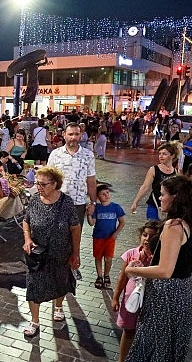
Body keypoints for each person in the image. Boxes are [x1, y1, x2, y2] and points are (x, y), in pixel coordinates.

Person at [125, 175, 192, 361]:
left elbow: (165, 270)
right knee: (171, 347)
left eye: (163, 194)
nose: (160, 198)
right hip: (184, 292)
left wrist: (132, 271)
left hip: (165, 294)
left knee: (152, 345)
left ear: (176, 197)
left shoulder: (174, 225)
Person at [21, 167, 81, 337]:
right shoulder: (34, 200)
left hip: (61, 252)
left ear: (55, 184)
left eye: (43, 184)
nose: (39, 187)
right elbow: (26, 221)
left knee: (60, 281)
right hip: (37, 254)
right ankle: (34, 320)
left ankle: (59, 306)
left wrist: (76, 253)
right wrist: (27, 239)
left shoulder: (66, 202)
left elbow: (75, 228)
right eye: (37, 183)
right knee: (33, 285)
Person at [112, 221, 160, 362]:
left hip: (149, 301)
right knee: (128, 331)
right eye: (144, 235)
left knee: (147, 332)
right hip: (130, 300)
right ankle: (122, 359)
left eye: (151, 237)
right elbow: (122, 279)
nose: (146, 239)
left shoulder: (159, 259)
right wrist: (115, 298)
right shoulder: (131, 254)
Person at [47, 122, 97, 226]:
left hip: (78, 203)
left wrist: (93, 202)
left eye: (76, 134)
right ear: (64, 134)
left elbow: (91, 180)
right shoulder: (55, 154)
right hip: (58, 202)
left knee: (75, 238)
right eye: (70, 134)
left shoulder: (88, 155)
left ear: (81, 135)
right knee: (57, 236)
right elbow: (48, 178)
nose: (73, 137)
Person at [87, 184, 126, 289]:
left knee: (108, 258)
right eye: (102, 194)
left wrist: (116, 234)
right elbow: (92, 223)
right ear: (98, 197)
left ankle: (106, 275)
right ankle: (99, 276)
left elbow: (122, 221)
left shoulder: (116, 207)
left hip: (110, 238)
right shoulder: (97, 208)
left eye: (107, 193)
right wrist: (89, 214)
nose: (106, 195)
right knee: (98, 257)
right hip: (98, 237)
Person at [130, 142, 179, 220]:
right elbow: (145, 187)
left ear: (172, 156)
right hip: (154, 204)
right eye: (160, 154)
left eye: (164, 154)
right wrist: (135, 202)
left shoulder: (176, 172)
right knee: (152, 229)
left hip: (168, 207)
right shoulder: (154, 169)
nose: (161, 156)